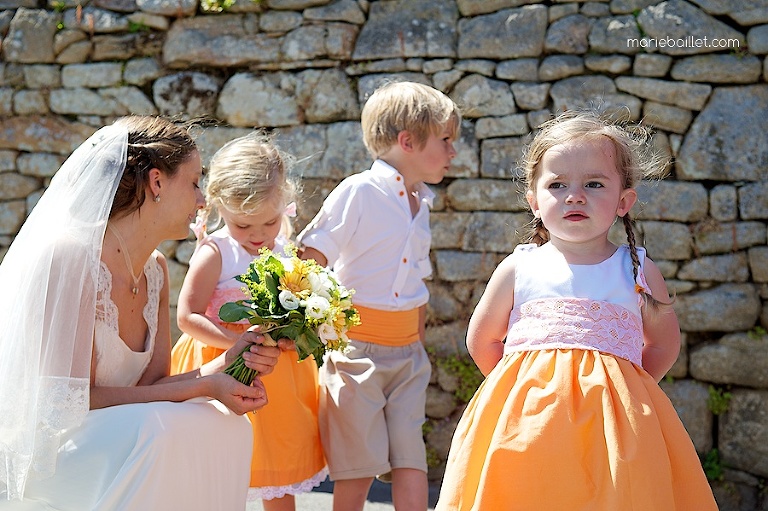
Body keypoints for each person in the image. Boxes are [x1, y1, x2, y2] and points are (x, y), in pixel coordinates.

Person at [435, 110, 718, 510]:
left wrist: (627, 387)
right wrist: (516, 388)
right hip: (527, 427)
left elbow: (663, 346)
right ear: (534, 200)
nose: (575, 195)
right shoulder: (519, 267)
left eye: (594, 184)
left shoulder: (637, 270)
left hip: (613, 435)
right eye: (558, 184)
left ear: (624, 201)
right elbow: (482, 340)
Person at [0, 116, 284, 510]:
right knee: (156, 430)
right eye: (195, 182)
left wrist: (228, 362)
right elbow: (63, 403)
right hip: (57, 452)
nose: (203, 200)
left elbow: (153, 387)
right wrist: (204, 386)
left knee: (228, 426)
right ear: (156, 183)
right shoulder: (69, 260)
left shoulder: (155, 269)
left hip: (123, 435)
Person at [297, 81, 461, 511]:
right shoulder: (358, 192)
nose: (453, 152)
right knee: (357, 469)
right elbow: (310, 258)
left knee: (410, 463)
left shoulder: (420, 203)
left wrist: (418, 345)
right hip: (356, 352)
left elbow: (416, 284)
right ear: (407, 141)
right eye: (445, 140)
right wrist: (321, 325)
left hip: (408, 354)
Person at [171, 133, 327, 510]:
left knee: (275, 475)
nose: (258, 236)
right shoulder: (216, 253)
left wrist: (295, 334)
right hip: (223, 365)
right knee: (220, 468)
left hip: (279, 378)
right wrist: (234, 343)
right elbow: (187, 315)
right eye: (244, 226)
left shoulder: (284, 250)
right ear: (219, 207)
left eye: (269, 222)